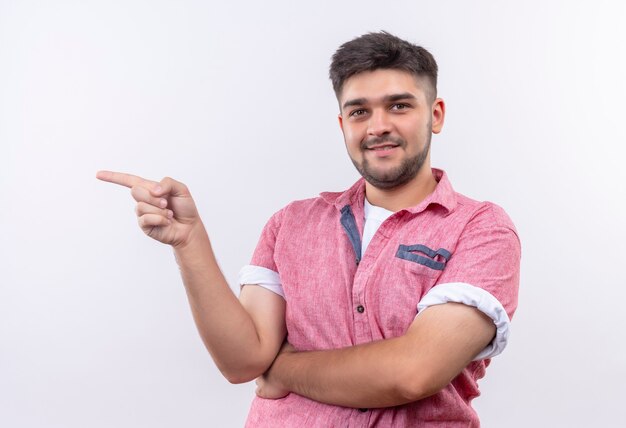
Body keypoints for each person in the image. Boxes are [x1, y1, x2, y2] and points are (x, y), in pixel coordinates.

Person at [97, 31, 520, 427]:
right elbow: (242, 362)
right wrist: (189, 240)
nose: (378, 127)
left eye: (399, 105)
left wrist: (281, 369)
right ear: (343, 126)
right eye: (359, 112)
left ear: (436, 114)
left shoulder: (481, 229)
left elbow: (412, 373)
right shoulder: (290, 223)